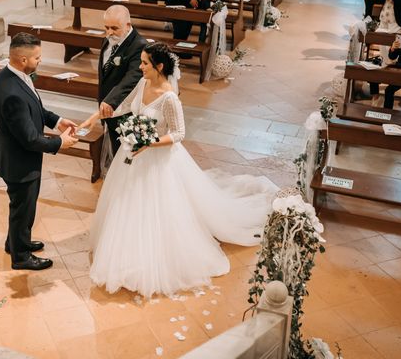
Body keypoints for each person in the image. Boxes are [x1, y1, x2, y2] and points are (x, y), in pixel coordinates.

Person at [79, 42, 279, 298]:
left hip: (160, 161)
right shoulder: (142, 84)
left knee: (160, 209)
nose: (140, 67)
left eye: (144, 63)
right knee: (126, 202)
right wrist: (99, 115)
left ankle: (155, 254)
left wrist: (149, 142)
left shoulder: (169, 98)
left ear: (159, 67)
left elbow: (179, 133)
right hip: (133, 157)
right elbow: (125, 106)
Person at [0, 32, 79, 270]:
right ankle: (21, 257)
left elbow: (36, 108)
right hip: (19, 162)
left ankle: (15, 242)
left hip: (15, 157)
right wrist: (59, 143)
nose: (40, 61)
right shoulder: (11, 93)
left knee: (20, 207)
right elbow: (30, 139)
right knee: (23, 209)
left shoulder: (13, 76)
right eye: (37, 58)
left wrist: (57, 120)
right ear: (22, 60)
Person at [97, 5, 148, 155]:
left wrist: (110, 101)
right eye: (106, 27)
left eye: (114, 28)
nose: (109, 32)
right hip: (108, 109)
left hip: (125, 112)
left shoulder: (139, 46)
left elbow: (132, 78)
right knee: (116, 151)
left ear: (128, 25)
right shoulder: (108, 40)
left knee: (128, 154)